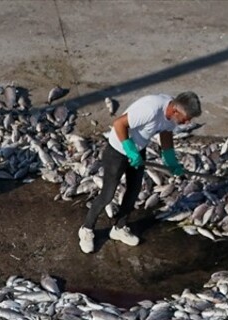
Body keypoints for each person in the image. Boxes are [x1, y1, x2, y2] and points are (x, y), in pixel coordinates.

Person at [78, 91, 201, 253]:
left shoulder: (172, 115)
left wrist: (170, 160)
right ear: (176, 111)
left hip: (138, 151)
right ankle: (86, 229)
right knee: (108, 195)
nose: (188, 122)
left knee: (134, 190)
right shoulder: (150, 109)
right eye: (187, 118)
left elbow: (165, 133)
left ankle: (119, 228)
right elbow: (119, 124)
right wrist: (129, 150)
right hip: (117, 151)